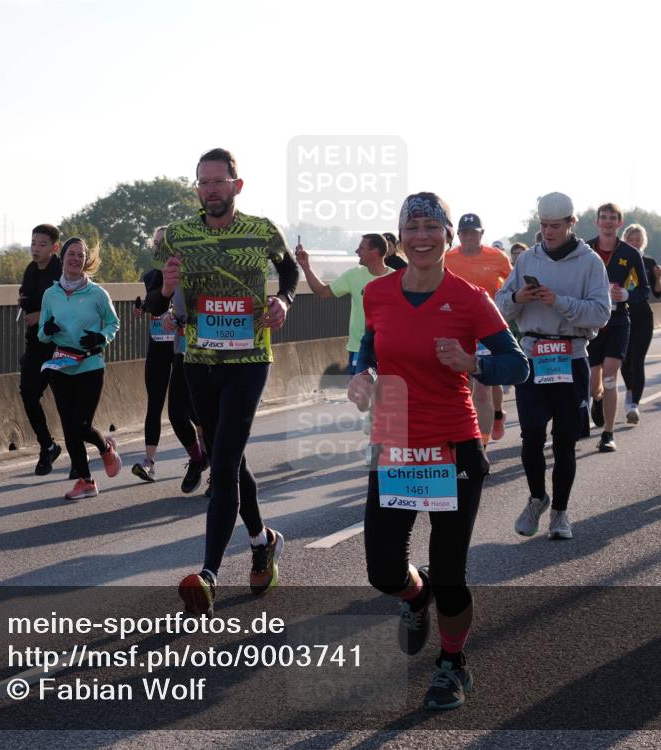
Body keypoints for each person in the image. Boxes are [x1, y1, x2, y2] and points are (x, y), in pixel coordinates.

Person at [348, 191, 528, 710]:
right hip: (394, 443)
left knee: (451, 572)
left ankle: (453, 664)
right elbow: (371, 346)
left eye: (433, 227)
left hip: (453, 446)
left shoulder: (471, 298)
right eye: (413, 227)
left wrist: (472, 364)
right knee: (384, 572)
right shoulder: (378, 293)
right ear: (400, 236)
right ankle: (414, 595)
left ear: (448, 237)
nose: (422, 236)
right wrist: (363, 374)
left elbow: (516, 367)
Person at [147, 148, 299, 616]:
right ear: (197, 188)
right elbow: (153, 301)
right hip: (199, 361)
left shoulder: (261, 230)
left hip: (250, 358)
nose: (211, 189)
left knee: (225, 462)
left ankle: (209, 573)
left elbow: (288, 269)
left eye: (219, 181)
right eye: (204, 182)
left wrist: (285, 299)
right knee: (228, 457)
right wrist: (168, 291)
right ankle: (261, 540)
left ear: (237, 185)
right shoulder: (177, 236)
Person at [496, 192, 611, 539]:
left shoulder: (590, 263)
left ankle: (560, 512)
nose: (547, 232)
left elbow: (601, 313)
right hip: (533, 355)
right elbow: (499, 306)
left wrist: (558, 302)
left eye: (555, 226)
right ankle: (537, 498)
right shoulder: (527, 259)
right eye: (543, 225)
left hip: (571, 355)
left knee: (564, 441)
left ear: (571, 224)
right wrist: (518, 298)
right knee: (531, 436)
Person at [38, 237, 122, 499]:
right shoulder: (50, 294)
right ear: (62, 258)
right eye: (71, 254)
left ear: (86, 261)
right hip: (61, 365)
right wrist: (47, 330)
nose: (75, 259)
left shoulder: (97, 293)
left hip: (89, 365)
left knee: (81, 425)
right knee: (68, 427)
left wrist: (101, 338)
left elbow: (113, 324)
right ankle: (86, 481)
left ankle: (105, 447)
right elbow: (42, 333)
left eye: (80, 255)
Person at [132, 225, 209, 492]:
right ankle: (196, 459)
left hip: (209, 349)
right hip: (176, 348)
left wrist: (186, 319)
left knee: (204, 411)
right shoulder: (157, 274)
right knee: (174, 412)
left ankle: (219, 472)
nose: (161, 248)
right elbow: (156, 302)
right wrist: (170, 315)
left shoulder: (201, 269)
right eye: (158, 244)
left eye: (168, 244)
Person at [445, 213, 514, 444]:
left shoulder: (497, 257)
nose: (468, 237)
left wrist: (505, 307)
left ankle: (481, 445)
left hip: (487, 328)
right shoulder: (448, 258)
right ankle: (476, 428)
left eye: (473, 232)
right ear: (458, 235)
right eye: (464, 233)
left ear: (481, 234)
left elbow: (513, 285)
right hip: (458, 329)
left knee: (483, 388)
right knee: (464, 386)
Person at [586, 203, 649, 452]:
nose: (608, 221)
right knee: (594, 382)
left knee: (610, 376)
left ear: (619, 223)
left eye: (613, 218)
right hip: (591, 323)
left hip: (619, 322)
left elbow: (643, 290)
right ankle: (596, 398)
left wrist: (625, 294)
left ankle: (608, 434)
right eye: (604, 217)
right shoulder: (585, 249)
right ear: (597, 221)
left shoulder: (630, 253)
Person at [295, 233, 392, 374]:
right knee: (359, 395)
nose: (356, 251)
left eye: (361, 248)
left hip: (388, 350)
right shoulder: (353, 275)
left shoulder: (396, 279)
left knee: (385, 395)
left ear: (375, 252)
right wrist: (306, 267)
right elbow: (322, 292)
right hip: (359, 350)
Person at [18, 224, 64, 475]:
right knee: (27, 393)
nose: (35, 249)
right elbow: (26, 299)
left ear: (54, 247)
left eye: (42, 244)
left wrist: (41, 315)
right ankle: (47, 445)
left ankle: (88, 456)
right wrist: (27, 305)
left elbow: (68, 306)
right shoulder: (31, 270)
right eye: (33, 243)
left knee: (66, 403)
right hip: (36, 344)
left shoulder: (61, 270)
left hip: (60, 345)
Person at [619, 224, 661, 424]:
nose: (635, 243)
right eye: (631, 239)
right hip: (621, 316)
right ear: (625, 240)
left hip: (643, 316)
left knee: (638, 360)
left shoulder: (649, 262)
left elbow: (658, 293)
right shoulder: (618, 260)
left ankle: (634, 405)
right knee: (625, 361)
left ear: (643, 242)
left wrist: (659, 278)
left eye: (638, 240)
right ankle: (629, 391)